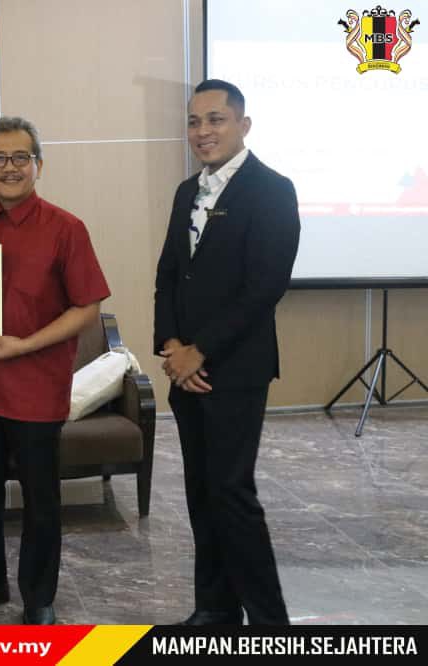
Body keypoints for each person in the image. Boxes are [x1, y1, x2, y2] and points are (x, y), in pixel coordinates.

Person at [0, 117, 110, 625]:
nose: (9, 167)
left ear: (39, 164)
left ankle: (38, 596)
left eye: (20, 157)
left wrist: (25, 346)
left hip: (36, 388)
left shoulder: (66, 228)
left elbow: (87, 308)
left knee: (40, 500)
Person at [153, 79, 300, 625]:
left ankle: (270, 623)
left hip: (235, 369)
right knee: (200, 492)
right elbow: (169, 276)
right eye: (194, 121)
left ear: (243, 125)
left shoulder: (272, 190)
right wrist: (173, 346)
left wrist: (202, 351)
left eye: (215, 119)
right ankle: (215, 608)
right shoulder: (185, 192)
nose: (202, 131)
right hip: (184, 369)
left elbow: (265, 286)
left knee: (232, 492)